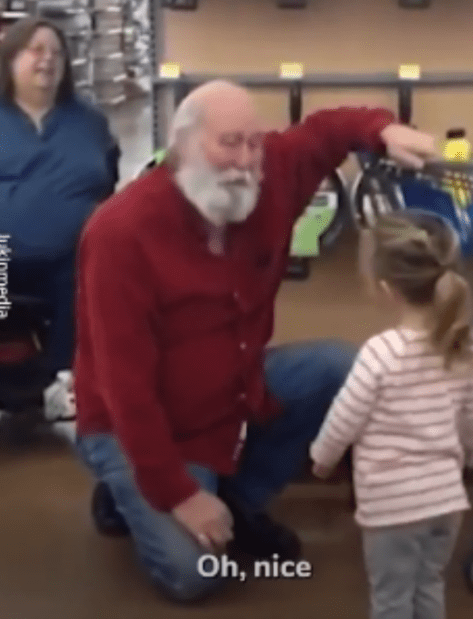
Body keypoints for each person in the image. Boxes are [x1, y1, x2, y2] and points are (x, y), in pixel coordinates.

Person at [73, 79, 439, 603]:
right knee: (196, 574)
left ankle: (237, 501)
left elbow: (324, 131)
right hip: (137, 424)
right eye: (228, 143)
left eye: (254, 142)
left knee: (341, 368)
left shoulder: (269, 180)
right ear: (182, 144)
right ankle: (127, 493)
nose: (246, 160)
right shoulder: (120, 234)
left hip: (228, 393)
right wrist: (177, 494)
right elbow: (124, 390)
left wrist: (384, 129)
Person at [310, 210, 473, 619]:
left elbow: (345, 416)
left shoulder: (380, 353)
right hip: (446, 502)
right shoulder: (462, 349)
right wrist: (469, 453)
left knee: (391, 599)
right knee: (429, 586)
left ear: (387, 288)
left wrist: (322, 458)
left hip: (393, 508)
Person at [0, 17, 120, 433]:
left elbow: (110, 176)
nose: (48, 60)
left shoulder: (88, 120)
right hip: (2, 251)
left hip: (73, 252)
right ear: (11, 58)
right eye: (36, 50)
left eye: (56, 52)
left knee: (88, 279)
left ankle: (63, 379)